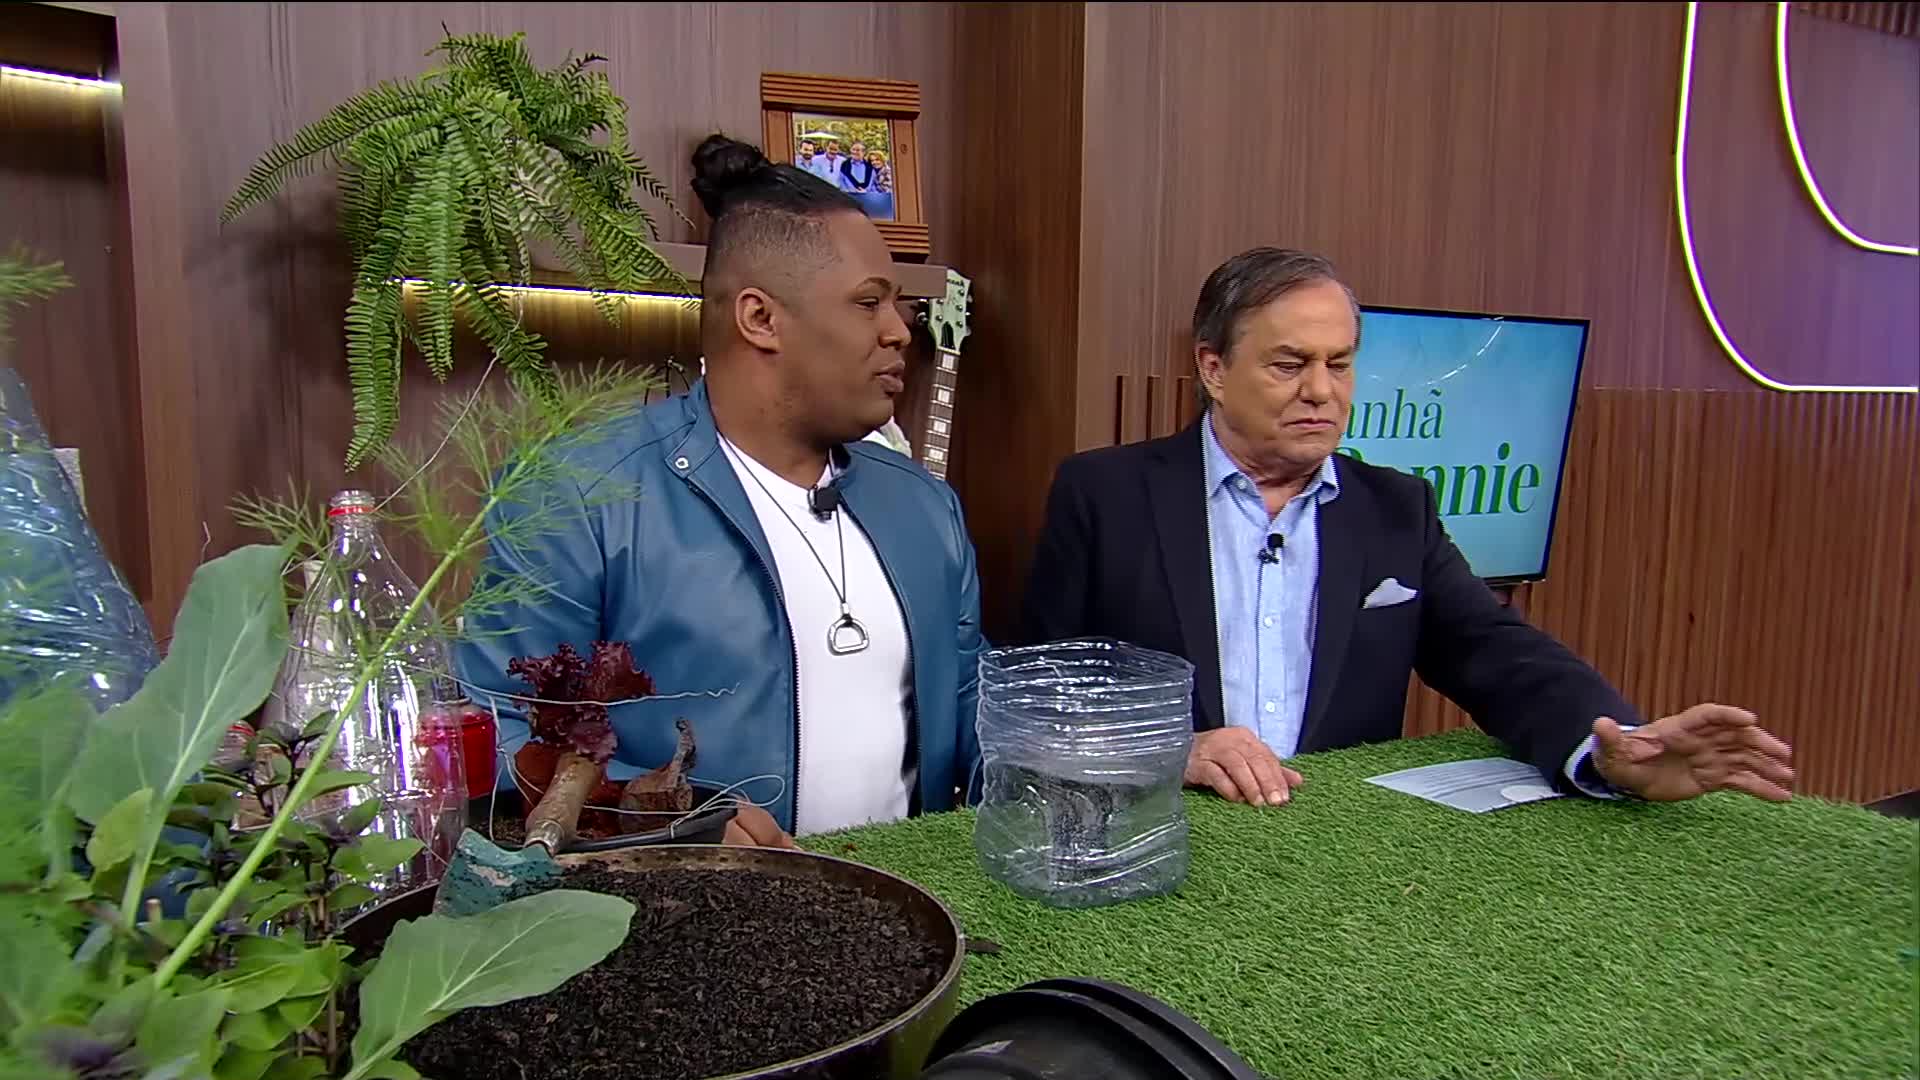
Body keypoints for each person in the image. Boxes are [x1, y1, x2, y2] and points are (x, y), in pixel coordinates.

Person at [1020, 247, 1794, 808]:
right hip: (1159, 836)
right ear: (1214, 370)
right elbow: (1036, 698)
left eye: (1339, 364)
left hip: (1343, 853)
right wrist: (1170, 753)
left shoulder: (1396, 509)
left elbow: (1496, 652)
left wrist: (1615, 747)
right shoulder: (1104, 495)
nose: (1322, 391)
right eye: (1290, 364)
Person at [457, 134, 986, 846]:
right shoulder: (581, 495)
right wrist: (674, 823)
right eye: (869, 303)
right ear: (760, 318)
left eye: (899, 305)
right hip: (674, 902)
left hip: (902, 896)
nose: (899, 332)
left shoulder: (926, 507)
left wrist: (1104, 756)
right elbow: (498, 728)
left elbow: (978, 707)